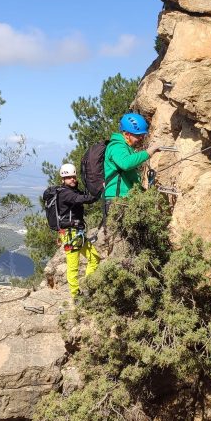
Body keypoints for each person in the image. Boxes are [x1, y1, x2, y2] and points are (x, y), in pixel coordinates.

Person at [56, 162, 100, 298]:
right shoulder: (65, 194)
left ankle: (88, 286)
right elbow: (83, 199)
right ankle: (76, 295)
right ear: (63, 179)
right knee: (73, 266)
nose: (72, 179)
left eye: (73, 176)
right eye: (69, 177)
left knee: (94, 258)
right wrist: (99, 191)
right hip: (70, 234)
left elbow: (83, 196)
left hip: (78, 233)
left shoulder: (72, 191)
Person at [103, 113, 160, 204]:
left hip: (125, 198)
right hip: (116, 199)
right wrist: (148, 153)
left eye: (142, 135)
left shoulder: (127, 148)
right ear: (127, 134)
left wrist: (142, 191)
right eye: (138, 135)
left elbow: (130, 177)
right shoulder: (116, 146)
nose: (141, 138)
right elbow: (126, 164)